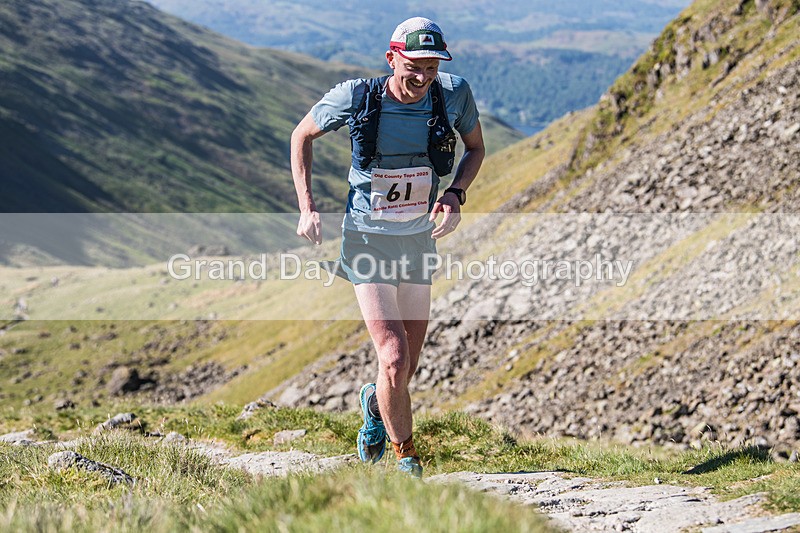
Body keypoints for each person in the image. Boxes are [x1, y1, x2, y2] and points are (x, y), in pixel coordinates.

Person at [290, 16, 484, 477]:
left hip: (417, 238)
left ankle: (375, 407)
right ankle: (406, 461)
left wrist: (455, 194)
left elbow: (475, 148)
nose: (422, 77)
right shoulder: (355, 96)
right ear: (392, 57)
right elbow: (302, 136)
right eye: (414, 65)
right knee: (393, 356)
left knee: (407, 365)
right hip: (367, 237)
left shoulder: (453, 95)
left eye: (432, 67)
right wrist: (307, 206)